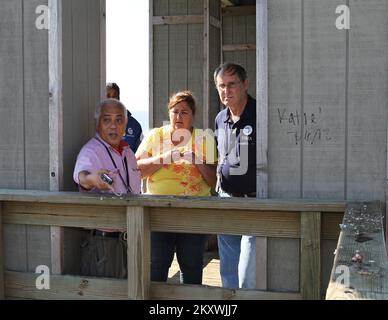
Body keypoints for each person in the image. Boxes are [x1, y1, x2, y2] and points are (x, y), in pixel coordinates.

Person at [135, 91, 217, 284]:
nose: (179, 117)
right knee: (156, 265)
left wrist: (197, 160)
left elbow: (214, 181)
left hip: (193, 214)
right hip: (158, 213)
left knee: (191, 265)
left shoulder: (205, 139)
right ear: (169, 113)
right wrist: (163, 158)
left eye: (184, 112)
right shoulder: (155, 136)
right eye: (175, 111)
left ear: (193, 115)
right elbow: (135, 169)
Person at [73, 98, 141, 278]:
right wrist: (93, 179)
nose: (113, 126)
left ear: (125, 124)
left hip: (130, 240)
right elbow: (82, 177)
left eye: (119, 120)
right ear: (97, 124)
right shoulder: (91, 151)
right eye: (107, 119)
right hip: (103, 244)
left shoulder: (128, 153)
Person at [214, 63, 257, 289]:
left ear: (245, 84)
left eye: (232, 84)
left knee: (247, 275)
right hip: (226, 200)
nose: (226, 91)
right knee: (228, 272)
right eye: (221, 85)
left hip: (255, 202)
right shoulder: (220, 118)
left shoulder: (260, 114)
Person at [106, 82, 143, 152]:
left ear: (118, 98)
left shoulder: (135, 125)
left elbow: (141, 154)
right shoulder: (99, 124)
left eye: (114, 96)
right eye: (108, 96)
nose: (111, 99)